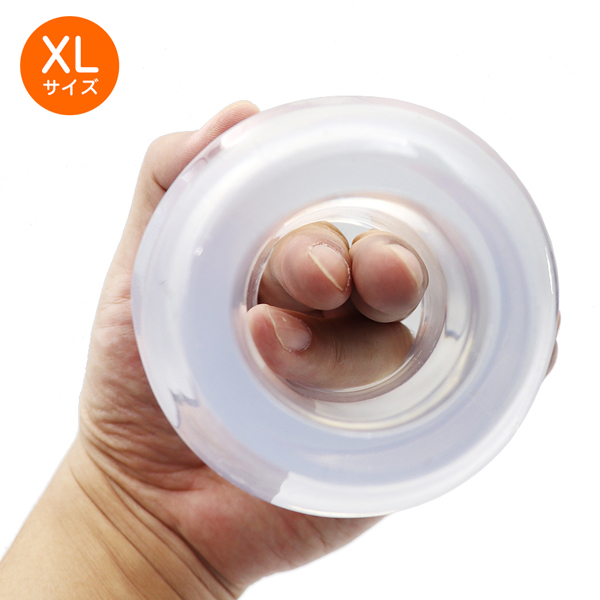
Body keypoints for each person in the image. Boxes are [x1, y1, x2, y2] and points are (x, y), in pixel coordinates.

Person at [0, 101, 558, 599]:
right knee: (340, 274)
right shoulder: (185, 393)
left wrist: (139, 526)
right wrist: (128, 506)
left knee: (369, 277)